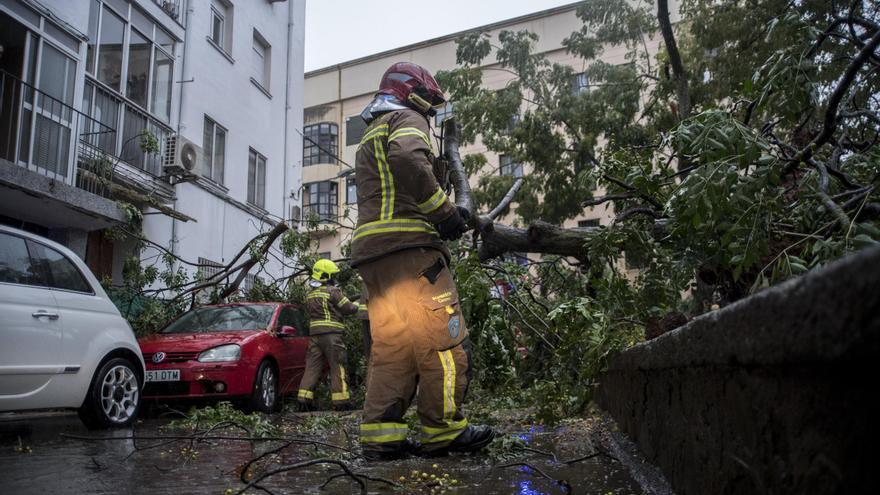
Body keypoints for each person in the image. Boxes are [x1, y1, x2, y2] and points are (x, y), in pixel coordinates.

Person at [351, 62, 495, 460]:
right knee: (443, 342)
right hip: (412, 254)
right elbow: (409, 160)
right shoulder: (406, 117)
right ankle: (444, 430)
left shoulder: (370, 134)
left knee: (393, 350)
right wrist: (444, 213)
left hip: (374, 261)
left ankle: (383, 438)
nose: (431, 110)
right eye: (429, 100)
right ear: (413, 92)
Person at [296, 259, 359, 411]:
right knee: (338, 367)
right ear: (327, 275)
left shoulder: (311, 295)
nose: (334, 278)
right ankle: (341, 402)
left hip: (315, 337)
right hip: (332, 337)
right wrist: (358, 304)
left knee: (312, 368)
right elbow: (348, 308)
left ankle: (303, 401)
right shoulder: (333, 291)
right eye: (333, 275)